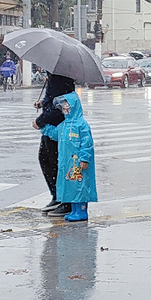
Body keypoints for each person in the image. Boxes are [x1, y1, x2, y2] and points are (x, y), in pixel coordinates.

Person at [40, 92, 97, 222]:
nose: (66, 108)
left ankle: (81, 210)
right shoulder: (64, 125)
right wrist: (43, 127)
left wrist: (84, 158)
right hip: (67, 163)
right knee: (71, 187)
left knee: (79, 186)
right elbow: (55, 134)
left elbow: (87, 143)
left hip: (78, 164)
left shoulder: (81, 125)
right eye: (63, 106)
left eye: (68, 105)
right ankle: (74, 210)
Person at [31, 73, 76, 216]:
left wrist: (39, 121)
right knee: (46, 159)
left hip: (57, 129)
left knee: (57, 164)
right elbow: (53, 100)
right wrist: (44, 102)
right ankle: (57, 196)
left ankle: (65, 201)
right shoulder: (55, 77)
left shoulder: (59, 78)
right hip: (52, 129)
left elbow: (59, 106)